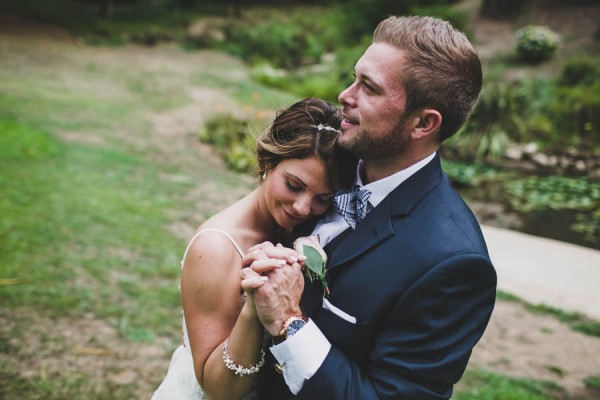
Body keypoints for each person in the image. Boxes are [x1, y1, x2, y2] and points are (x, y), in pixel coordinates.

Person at [243, 16, 498, 399]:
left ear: (423, 123)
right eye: (354, 77)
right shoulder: (330, 161)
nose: (345, 95)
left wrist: (289, 321)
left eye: (370, 88)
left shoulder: (453, 263)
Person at [151, 98, 357, 400]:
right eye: (293, 185)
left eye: (322, 198)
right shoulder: (215, 248)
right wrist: (253, 307)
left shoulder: (301, 229)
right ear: (269, 161)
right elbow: (217, 389)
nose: (303, 207)